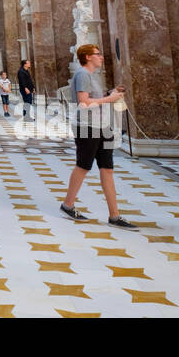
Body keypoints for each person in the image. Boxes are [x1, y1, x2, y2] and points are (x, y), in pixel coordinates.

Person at [60, 44, 136, 229]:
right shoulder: (82, 74)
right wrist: (109, 99)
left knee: (107, 168)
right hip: (87, 126)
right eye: (97, 54)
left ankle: (114, 215)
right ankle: (67, 205)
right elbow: (84, 101)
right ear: (87, 57)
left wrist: (109, 93)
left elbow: (95, 97)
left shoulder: (93, 76)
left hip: (102, 125)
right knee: (83, 166)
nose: (101, 56)